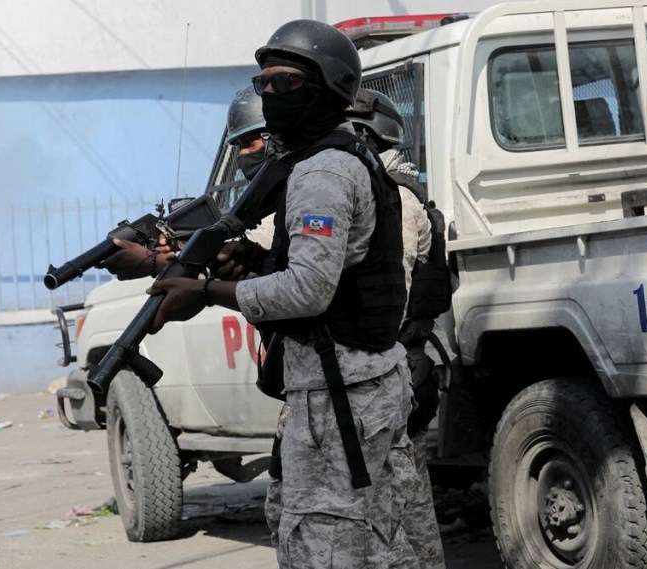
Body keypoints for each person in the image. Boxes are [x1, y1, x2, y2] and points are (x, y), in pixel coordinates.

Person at [147, 20, 418, 567]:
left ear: (328, 87)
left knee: (326, 546)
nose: (269, 95)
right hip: (361, 385)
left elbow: (310, 291)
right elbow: (332, 270)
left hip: (338, 395)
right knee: (389, 543)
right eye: (263, 82)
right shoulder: (336, 159)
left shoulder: (321, 173)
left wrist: (205, 293)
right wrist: (255, 260)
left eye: (286, 82)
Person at [351, 88, 450, 569]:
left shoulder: (392, 199)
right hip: (406, 368)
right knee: (412, 505)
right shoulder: (408, 193)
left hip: (385, 374)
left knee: (390, 514)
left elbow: (395, 289)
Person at [101, 85, 277, 279]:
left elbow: (263, 241)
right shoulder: (260, 198)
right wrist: (182, 246)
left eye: (250, 142)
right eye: (238, 146)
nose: (242, 154)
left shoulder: (295, 192)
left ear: (275, 141)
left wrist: (157, 262)